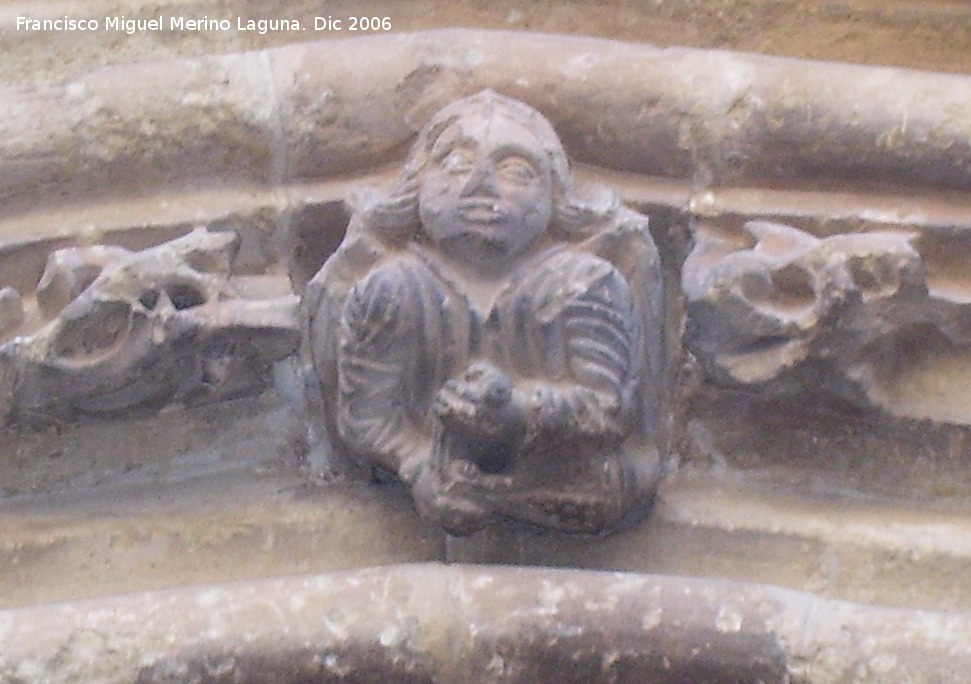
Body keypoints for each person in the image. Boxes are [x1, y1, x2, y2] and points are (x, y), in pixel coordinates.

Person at [306, 91, 662, 534]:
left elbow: (608, 408)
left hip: (567, 477)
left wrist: (516, 409)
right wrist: (418, 466)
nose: (481, 184)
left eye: (516, 171)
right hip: (438, 477)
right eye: (456, 164)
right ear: (415, 186)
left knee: (606, 489)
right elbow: (366, 418)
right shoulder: (392, 288)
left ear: (556, 197)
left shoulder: (585, 283)